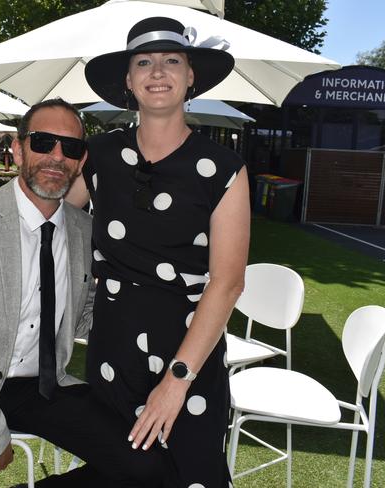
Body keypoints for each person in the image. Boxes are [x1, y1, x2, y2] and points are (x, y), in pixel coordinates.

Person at [0, 99, 175, 488]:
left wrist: (153, 309)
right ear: (18, 149)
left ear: (81, 162)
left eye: (71, 148)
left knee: (149, 469)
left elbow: (84, 314)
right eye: (44, 142)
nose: (57, 156)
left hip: (44, 386)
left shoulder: (83, 229)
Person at [77, 17, 250, 487]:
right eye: (144, 62)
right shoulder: (98, 156)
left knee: (190, 473)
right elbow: (42, 207)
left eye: (172, 60)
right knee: (118, 473)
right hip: (112, 350)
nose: (158, 72)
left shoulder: (224, 168)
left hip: (189, 355)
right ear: (129, 81)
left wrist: (176, 381)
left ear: (191, 75)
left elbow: (228, 282)